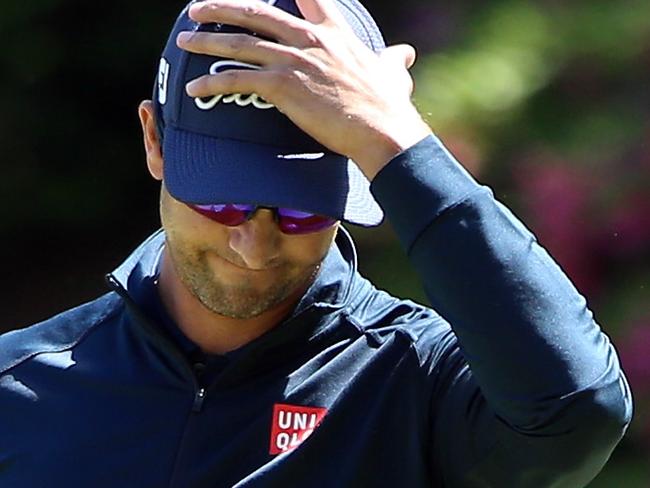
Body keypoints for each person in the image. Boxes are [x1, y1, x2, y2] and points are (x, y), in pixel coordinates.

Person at [0, 0, 633, 486]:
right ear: (154, 142)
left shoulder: (414, 382)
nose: (253, 245)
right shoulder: (17, 390)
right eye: (220, 202)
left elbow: (580, 413)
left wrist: (398, 144)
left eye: (301, 212)